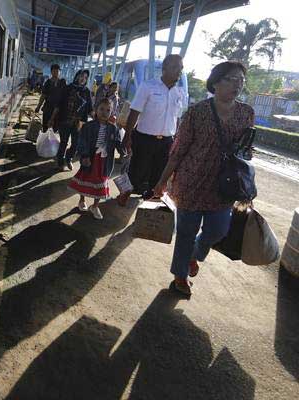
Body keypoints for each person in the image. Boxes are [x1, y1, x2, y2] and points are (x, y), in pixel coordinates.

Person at [153, 61, 254, 295]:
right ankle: (180, 276)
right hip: (191, 182)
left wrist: (246, 183)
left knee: (218, 230)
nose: (237, 84)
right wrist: (162, 181)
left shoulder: (246, 113)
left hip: (224, 186)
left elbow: (247, 151)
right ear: (216, 82)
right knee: (186, 232)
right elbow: (178, 150)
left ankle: (195, 254)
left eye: (241, 80)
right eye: (232, 79)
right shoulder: (197, 112)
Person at [118, 54, 186, 205]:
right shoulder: (148, 86)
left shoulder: (179, 93)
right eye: (175, 67)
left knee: (159, 173)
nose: (178, 71)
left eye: (180, 68)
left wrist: (177, 140)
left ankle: (150, 199)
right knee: (136, 171)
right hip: (144, 138)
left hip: (167, 141)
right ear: (164, 69)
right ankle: (125, 193)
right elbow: (135, 111)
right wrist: (127, 136)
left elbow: (178, 119)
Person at [69, 98, 123, 220]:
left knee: (101, 182)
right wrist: (85, 155)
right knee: (86, 178)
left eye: (108, 110)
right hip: (90, 158)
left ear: (112, 112)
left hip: (104, 160)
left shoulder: (113, 128)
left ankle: (95, 205)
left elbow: (117, 142)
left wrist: (123, 151)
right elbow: (82, 142)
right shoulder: (88, 126)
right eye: (102, 109)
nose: (104, 112)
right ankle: (82, 200)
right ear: (95, 110)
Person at [50, 69, 92, 171]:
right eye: (82, 76)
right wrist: (52, 118)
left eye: (86, 77)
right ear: (77, 76)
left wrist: (98, 118)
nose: (83, 79)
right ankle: (60, 161)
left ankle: (68, 158)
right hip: (65, 121)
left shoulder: (86, 91)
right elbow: (59, 104)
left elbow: (89, 108)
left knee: (76, 144)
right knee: (63, 142)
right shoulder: (68, 88)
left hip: (79, 123)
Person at [35, 64, 67, 132]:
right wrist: (38, 107)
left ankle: (51, 142)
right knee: (46, 127)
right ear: (51, 72)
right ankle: (45, 141)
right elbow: (43, 96)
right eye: (54, 71)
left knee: (54, 129)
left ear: (60, 72)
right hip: (48, 109)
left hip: (58, 110)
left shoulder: (62, 82)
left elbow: (65, 96)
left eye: (58, 71)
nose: (56, 73)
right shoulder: (48, 83)